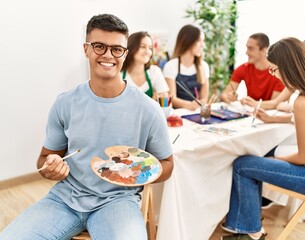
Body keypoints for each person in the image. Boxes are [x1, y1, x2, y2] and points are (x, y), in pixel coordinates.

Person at [0, 14, 173, 240]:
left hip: (118, 201)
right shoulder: (65, 103)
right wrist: (50, 167)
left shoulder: (148, 109)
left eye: (116, 49)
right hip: (65, 199)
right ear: (86, 49)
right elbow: (44, 159)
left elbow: (167, 164)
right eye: (99, 46)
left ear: (125, 54)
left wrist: (140, 173)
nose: (108, 55)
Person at [221, 37, 305, 240]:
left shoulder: (304, 101)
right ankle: (247, 226)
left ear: (288, 67)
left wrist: (275, 160)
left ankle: (251, 233)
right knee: (259, 157)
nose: (273, 75)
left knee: (243, 164)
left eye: (274, 70)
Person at [221, 33, 285, 103]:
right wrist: (228, 97)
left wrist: (250, 102)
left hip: (268, 113)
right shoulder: (244, 68)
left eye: (251, 48)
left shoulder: (277, 72)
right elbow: (225, 94)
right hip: (250, 111)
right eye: (247, 48)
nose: (246, 52)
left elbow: (274, 104)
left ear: (264, 50)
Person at [163, 24, 210, 110]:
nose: (202, 45)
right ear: (188, 41)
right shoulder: (171, 66)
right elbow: (171, 99)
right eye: (199, 41)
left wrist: (199, 103)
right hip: (178, 114)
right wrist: (189, 105)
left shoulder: (204, 66)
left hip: (197, 112)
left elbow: (204, 98)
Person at [121, 31, 169, 100]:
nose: (147, 52)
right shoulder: (119, 74)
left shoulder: (154, 71)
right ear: (131, 48)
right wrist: (152, 100)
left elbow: (165, 102)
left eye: (150, 48)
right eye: (143, 47)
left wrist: (163, 99)